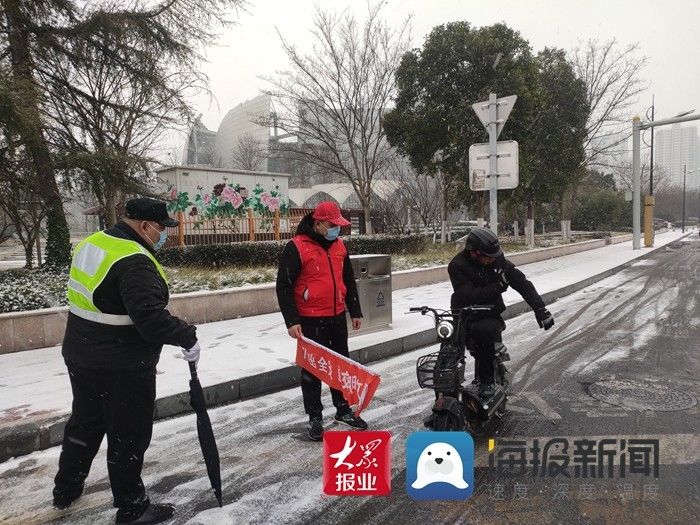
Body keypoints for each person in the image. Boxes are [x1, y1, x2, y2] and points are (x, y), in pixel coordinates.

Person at [53, 198, 202, 524]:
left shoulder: (94, 243)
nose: (164, 234)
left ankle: (66, 487)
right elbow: (150, 321)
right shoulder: (134, 261)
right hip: (120, 365)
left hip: (81, 353)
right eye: (162, 228)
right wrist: (186, 334)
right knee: (128, 435)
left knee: (86, 422)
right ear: (145, 226)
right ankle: (132, 507)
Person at [276, 201, 367, 441]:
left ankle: (343, 409)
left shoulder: (339, 246)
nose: (337, 229)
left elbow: (348, 278)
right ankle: (315, 417)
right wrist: (292, 320)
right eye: (332, 224)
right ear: (318, 224)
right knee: (313, 371)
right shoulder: (296, 247)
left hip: (336, 316)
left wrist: (354, 310)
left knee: (340, 366)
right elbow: (283, 286)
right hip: (310, 319)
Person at [448, 227, 554, 399]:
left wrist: (540, 310)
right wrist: (497, 286)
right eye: (487, 256)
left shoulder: (496, 260)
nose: (492, 260)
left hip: (489, 313)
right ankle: (445, 392)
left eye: (494, 256)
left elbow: (522, 283)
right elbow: (468, 295)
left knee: (483, 331)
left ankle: (487, 381)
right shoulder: (457, 266)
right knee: (449, 346)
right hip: (464, 314)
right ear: (474, 252)